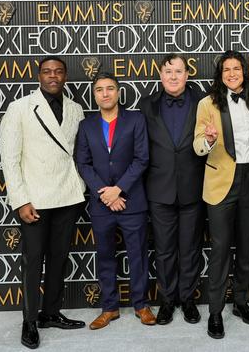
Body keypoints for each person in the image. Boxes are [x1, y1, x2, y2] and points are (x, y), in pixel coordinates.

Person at [0, 56, 86, 349]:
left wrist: (81, 187)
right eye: (47, 71)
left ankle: (50, 312)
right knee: (33, 261)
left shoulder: (76, 109)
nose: (53, 76)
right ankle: (29, 320)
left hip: (67, 196)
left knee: (59, 258)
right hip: (34, 198)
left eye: (58, 72)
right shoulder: (20, 108)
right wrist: (20, 200)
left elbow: (77, 152)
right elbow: (10, 161)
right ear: (39, 76)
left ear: (65, 77)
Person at [75, 72, 155, 329]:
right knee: (105, 256)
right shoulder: (86, 126)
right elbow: (83, 164)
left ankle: (141, 304)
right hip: (102, 205)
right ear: (94, 94)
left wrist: (118, 189)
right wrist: (105, 193)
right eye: (99, 89)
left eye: (110, 88)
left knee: (138, 255)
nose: (105, 93)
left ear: (118, 92)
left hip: (132, 201)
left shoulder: (136, 119)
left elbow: (142, 158)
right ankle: (109, 308)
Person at [193, 50, 249, 339]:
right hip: (221, 182)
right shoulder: (207, 103)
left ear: (244, 71)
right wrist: (208, 139)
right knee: (220, 251)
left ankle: (241, 302)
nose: (232, 73)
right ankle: (215, 312)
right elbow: (197, 144)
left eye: (236, 68)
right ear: (220, 75)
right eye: (226, 70)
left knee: (246, 248)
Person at [139, 53, 205, 325]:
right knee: (164, 250)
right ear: (161, 75)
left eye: (178, 71)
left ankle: (188, 299)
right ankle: (167, 300)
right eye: (168, 72)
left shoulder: (204, 101)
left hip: (194, 187)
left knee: (190, 248)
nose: (173, 76)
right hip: (159, 188)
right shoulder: (146, 105)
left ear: (187, 74)